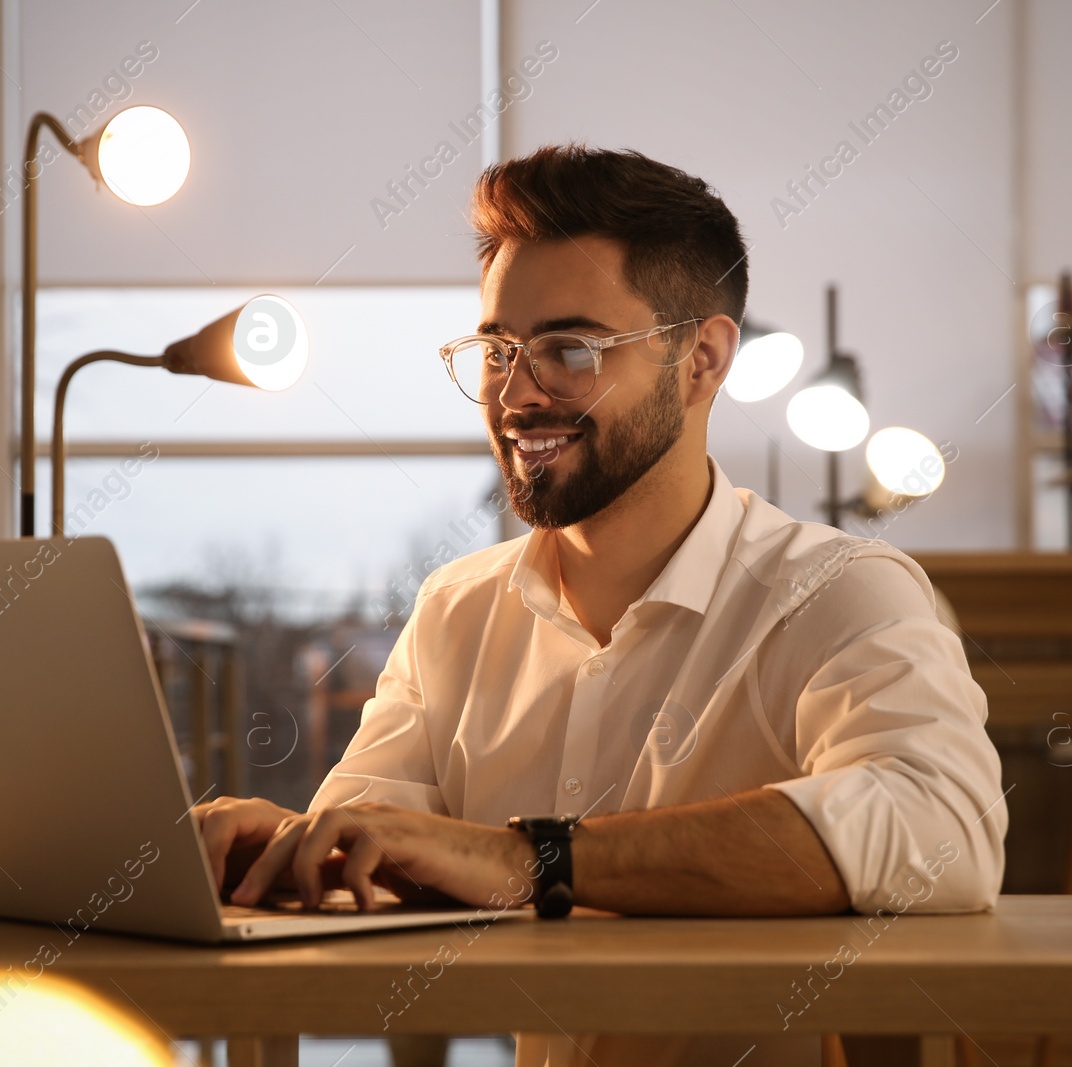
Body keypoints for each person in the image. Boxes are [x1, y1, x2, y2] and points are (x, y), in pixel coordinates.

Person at [194, 144, 1006, 1066]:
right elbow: (379, 849)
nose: (516, 393)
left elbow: (943, 830)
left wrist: (530, 860)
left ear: (701, 360)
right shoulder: (456, 610)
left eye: (570, 350)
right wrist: (284, 851)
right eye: (499, 349)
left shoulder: (841, 589)